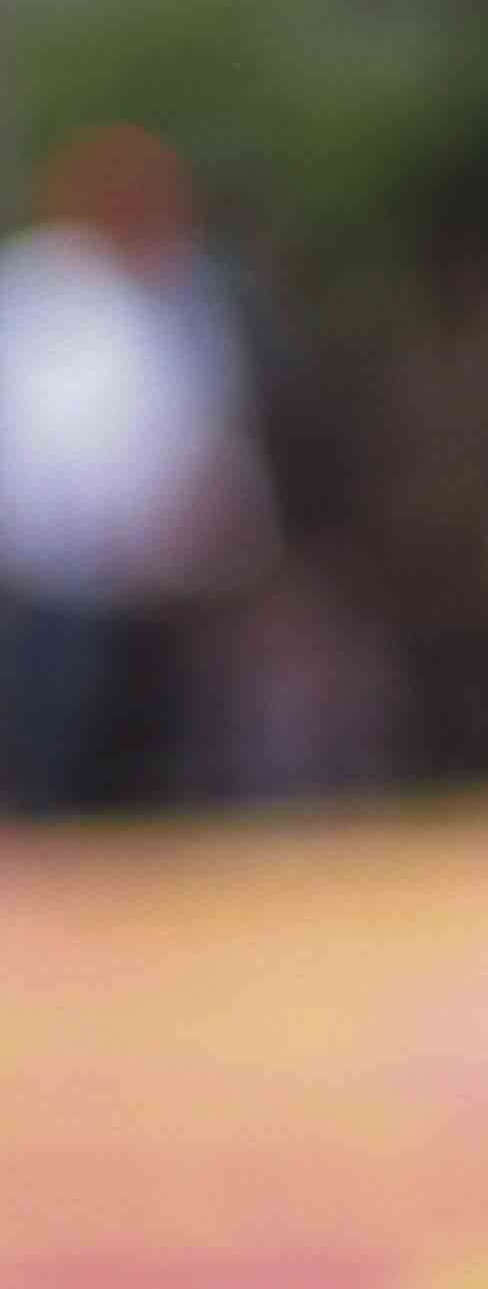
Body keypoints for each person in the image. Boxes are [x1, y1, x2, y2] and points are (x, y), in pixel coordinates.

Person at [0, 123, 263, 813]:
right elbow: (38, 436)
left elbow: (206, 420)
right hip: (61, 576)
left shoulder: (186, 286)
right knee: (61, 756)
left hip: (165, 577)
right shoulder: (38, 289)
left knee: (158, 766)